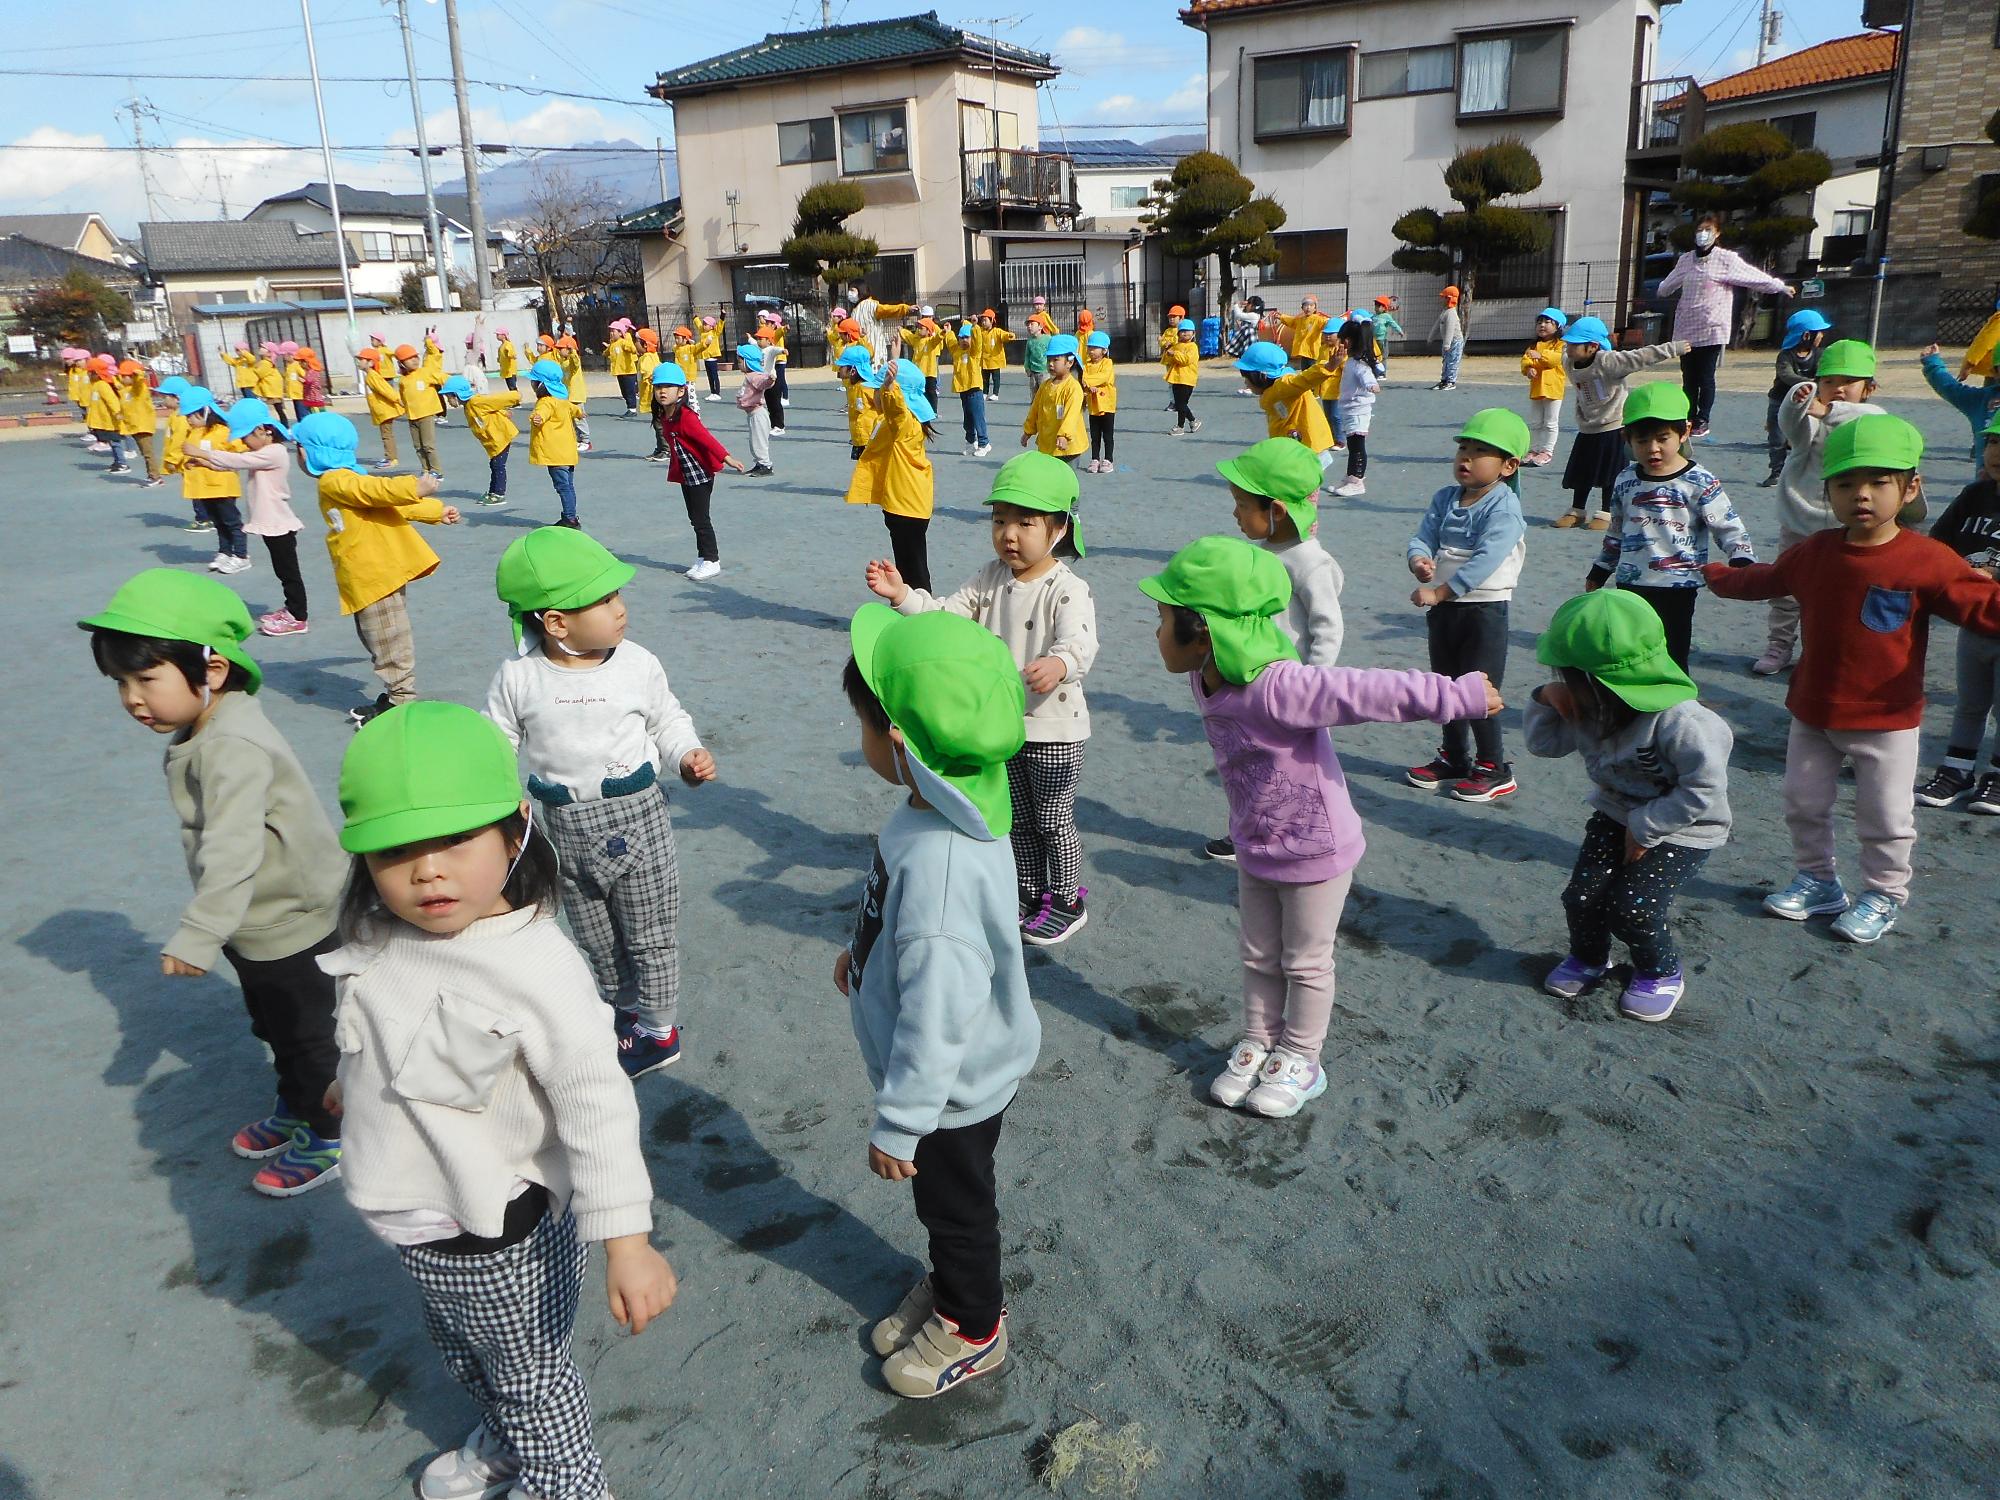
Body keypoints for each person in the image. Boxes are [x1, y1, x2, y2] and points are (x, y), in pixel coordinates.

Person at [325, 701, 676, 1498]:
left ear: (517, 827)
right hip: (411, 1213)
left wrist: (626, 1238)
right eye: (394, 851)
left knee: (531, 1376)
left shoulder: (534, 966)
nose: (427, 872)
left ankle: (567, 1485)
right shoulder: (383, 932)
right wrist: (347, 1082)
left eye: (455, 840)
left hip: (495, 1230)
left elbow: (597, 1104)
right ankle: (513, 1445)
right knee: (462, 1355)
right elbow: (373, 1021)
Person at [1141, 537, 1499, 1116]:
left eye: (1162, 618)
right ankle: (1260, 1041)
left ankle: (1302, 1058)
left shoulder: (1280, 686)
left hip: (1315, 848)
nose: (1155, 631)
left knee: (1305, 961)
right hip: (1256, 840)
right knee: (1258, 954)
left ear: (1202, 628)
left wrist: (1457, 694)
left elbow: (1363, 691)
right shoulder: (1205, 676)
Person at [80, 569, 345, 1194]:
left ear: (214, 670)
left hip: (295, 922)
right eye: (121, 683)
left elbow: (232, 846)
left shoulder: (232, 747)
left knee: (309, 1036)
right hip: (255, 918)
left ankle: (331, 1128)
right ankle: (299, 1107)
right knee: (274, 1024)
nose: (133, 699)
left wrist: (200, 932)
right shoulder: (207, 729)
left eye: (146, 679)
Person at [835, 605, 1039, 1398]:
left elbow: (939, 1010)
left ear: (898, 744)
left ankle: (975, 1326)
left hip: (949, 1089)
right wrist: (862, 954)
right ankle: (954, 1286)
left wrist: (901, 1119)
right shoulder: (942, 798)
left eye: (861, 720)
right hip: (945, 1071)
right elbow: (895, 918)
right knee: (945, 1206)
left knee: (956, 1206)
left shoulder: (945, 869)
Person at [1705, 413, 2000, 943]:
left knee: (1885, 815)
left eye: (1878, 481)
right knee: (1802, 802)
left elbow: (1983, 605)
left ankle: (1884, 892)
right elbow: (1767, 579)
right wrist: (1714, 575)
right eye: (1845, 483)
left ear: (1910, 487)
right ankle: (1818, 880)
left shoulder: (1926, 560)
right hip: (1813, 710)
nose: (1860, 495)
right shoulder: (1816, 552)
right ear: (1828, 490)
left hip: (1887, 720)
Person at [486, 528, 716, 1078]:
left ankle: (660, 1031)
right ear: (556, 622)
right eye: (604, 599)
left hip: (638, 821)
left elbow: (667, 718)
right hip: (562, 826)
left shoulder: (637, 663)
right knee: (596, 937)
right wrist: (499, 798)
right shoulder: (519, 678)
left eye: (618, 595)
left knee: (650, 933)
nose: (620, 609)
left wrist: (686, 753)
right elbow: (496, 741)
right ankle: (626, 1012)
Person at [868, 452, 1096, 944]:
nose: (1008, 534)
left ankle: (1067, 897)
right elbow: (946, 616)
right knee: (1018, 815)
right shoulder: (989, 577)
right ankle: (1030, 890)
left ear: (1058, 528)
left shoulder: (1066, 588)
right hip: (1002, 725)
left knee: (1053, 818)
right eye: (999, 520)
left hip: (1054, 726)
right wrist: (903, 595)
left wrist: (1060, 663)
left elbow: (1081, 643)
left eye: (1025, 522)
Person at [1525, 589, 1733, 1022]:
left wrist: (1646, 827)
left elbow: (1702, 789)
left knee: (1634, 907)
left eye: (1569, 677)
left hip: (1685, 826)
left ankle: (1661, 972)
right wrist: (1545, 697)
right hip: (1616, 812)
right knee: (1582, 896)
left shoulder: (1685, 723)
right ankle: (1589, 958)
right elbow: (1543, 745)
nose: (1567, 684)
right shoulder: (1588, 704)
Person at [1201, 437, 1348, 864]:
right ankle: (1249, 828)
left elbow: (1327, 627)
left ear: (1277, 511)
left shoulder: (1308, 561)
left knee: (1292, 770)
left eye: (1242, 504)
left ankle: (1297, 835)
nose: (1234, 513)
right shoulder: (1265, 552)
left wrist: (1314, 686)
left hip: (1292, 690)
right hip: (1256, 683)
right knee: (1248, 762)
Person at [292, 411, 461, 727]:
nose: (297, 454)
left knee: (388, 638)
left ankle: (401, 701)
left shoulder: (336, 480)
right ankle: (396, 693)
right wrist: (434, 511)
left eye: (300, 447)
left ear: (312, 451)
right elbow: (383, 500)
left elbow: (380, 494)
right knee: (377, 635)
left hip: (374, 573)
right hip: (370, 574)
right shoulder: (348, 480)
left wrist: (416, 489)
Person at [1405, 409, 1531, 803]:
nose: (1466, 458)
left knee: (1479, 689)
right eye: (1463, 447)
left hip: (1482, 610)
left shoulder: (1504, 508)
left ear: (1509, 466)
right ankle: (1455, 757)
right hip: (1445, 608)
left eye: (1480, 451)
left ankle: (1494, 767)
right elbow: (1422, 537)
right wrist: (1420, 561)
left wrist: (1440, 592)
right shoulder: (1445, 497)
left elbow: (1485, 561)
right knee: (1446, 685)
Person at [1584, 383, 1754, 670]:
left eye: (1663, 438)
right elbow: (1616, 531)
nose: (1653, 449)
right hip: (1630, 583)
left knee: (1673, 655)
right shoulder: (1625, 479)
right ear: (1626, 437)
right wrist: (1601, 568)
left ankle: (1674, 709)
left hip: (1678, 585)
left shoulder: (1699, 481)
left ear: (1684, 432)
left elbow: (1727, 523)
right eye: (1641, 441)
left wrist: (1741, 556)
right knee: (1633, 654)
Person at [1753, 339, 1886, 675]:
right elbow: (1791, 427)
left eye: (1848, 382)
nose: (1837, 389)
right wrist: (1796, 405)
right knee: (1786, 589)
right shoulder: (1814, 421)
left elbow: (1869, 419)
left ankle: (1821, 652)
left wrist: (1829, 410)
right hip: (1800, 517)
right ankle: (1779, 644)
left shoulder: (1870, 419)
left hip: (1847, 525)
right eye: (1828, 382)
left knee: (1837, 593)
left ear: (1868, 388)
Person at [1914, 412, 2000, 812]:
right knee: (1970, 702)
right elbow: (1940, 542)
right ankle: (1958, 768)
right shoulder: (1975, 495)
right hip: (1976, 623)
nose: (1996, 452)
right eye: (1993, 442)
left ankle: (1997, 775)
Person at [182, 398, 313, 636]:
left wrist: (203, 452)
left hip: (279, 524)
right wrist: (203, 462)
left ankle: (298, 616)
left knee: (289, 573)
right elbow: (233, 464)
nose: (243, 442)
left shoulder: (275, 452)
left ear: (263, 430)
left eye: (245, 437)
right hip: (270, 524)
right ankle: (291, 608)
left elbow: (239, 460)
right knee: (283, 571)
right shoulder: (263, 452)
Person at [1657, 212, 1795, 437]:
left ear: (1717, 233)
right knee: (1688, 376)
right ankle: (1688, 416)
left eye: (1708, 230)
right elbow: (1668, 285)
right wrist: (1662, 287)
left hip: (1712, 327)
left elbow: (1751, 275)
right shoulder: (1686, 260)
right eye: (1700, 230)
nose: (1703, 235)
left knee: (1705, 375)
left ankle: (1703, 418)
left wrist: (1778, 286)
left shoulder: (1725, 259)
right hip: (1687, 326)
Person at [1554, 316, 1688, 531]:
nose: (1568, 347)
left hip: (1613, 425)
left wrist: (1674, 348)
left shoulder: (1608, 361)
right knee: (1582, 471)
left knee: (1611, 473)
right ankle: (1577, 510)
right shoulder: (1568, 361)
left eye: (1574, 344)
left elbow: (1641, 357)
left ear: (1592, 346)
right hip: (1588, 425)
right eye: (1568, 343)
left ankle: (1606, 513)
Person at [843, 351, 937, 592]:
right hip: (903, 503)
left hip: (906, 507)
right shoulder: (898, 422)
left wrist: (888, 386)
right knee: (909, 564)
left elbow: (897, 409)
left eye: (878, 390)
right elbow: (896, 409)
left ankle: (922, 615)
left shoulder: (903, 423)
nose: (874, 393)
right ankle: (911, 608)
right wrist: (893, 363)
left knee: (913, 569)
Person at [650, 363, 747, 580]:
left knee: (701, 518)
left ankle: (712, 560)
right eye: (658, 387)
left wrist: (727, 458)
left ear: (681, 391)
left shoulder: (686, 416)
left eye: (668, 387)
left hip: (700, 473)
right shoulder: (666, 416)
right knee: (694, 517)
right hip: (686, 474)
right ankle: (703, 557)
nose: (662, 391)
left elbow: (706, 439)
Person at [1236, 341, 1338, 486]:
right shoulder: (1272, 389)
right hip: (1294, 446)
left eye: (1247, 378)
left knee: (1299, 490)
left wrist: (1328, 368)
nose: (1245, 383)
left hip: (1306, 446)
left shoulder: (1283, 385)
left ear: (1262, 376)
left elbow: (1305, 379)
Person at [179, 389, 249, 572]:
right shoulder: (193, 433)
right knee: (218, 522)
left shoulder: (222, 432)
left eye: (191, 416)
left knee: (231, 521)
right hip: (203, 487)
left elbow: (237, 455)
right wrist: (188, 463)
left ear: (205, 412)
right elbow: (189, 454)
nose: (189, 420)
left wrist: (203, 460)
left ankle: (241, 555)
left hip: (222, 486)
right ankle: (225, 552)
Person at [1761, 310, 1830, 485]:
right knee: (1777, 438)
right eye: (1818, 332)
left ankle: (1807, 473)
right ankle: (1776, 472)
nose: (1821, 335)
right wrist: (1811, 382)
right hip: (1780, 401)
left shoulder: (1820, 355)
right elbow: (1786, 375)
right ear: (1806, 335)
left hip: (1807, 402)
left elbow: (1825, 372)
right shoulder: (1786, 355)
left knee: (1811, 436)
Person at [1919, 339, 2000, 477]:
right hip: (1985, 488)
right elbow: (1951, 389)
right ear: (1996, 373)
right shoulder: (1982, 400)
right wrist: (1933, 364)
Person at [440, 374, 521, 511]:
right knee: (494, 464)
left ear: (457, 394)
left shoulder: (476, 401)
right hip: (492, 440)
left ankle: (499, 494)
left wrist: (515, 396)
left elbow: (493, 400)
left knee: (498, 466)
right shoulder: (469, 405)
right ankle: (493, 492)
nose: (448, 401)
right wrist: (502, 412)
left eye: (449, 397)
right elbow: (490, 408)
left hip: (500, 437)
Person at [526, 357, 583, 530]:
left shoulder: (546, 402)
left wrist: (537, 418)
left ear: (541, 384)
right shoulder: (562, 401)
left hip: (555, 454)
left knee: (562, 486)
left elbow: (542, 413)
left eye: (534, 382)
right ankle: (571, 515)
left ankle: (570, 518)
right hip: (567, 452)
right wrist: (579, 413)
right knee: (568, 485)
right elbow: (574, 410)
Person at [1328, 318, 1381, 499]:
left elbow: (1367, 376)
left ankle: (1357, 480)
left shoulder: (1359, 363)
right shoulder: (1351, 361)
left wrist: (1372, 385)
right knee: (1353, 446)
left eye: (1341, 339)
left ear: (1348, 342)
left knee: (1357, 446)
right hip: (1350, 410)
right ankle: (1351, 476)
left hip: (1358, 411)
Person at [1020, 333, 1085, 462]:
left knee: (1066, 480)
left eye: (1056, 360)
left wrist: (1064, 436)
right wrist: (1028, 431)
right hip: (1048, 444)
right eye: (1049, 359)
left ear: (1070, 362)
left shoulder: (1073, 388)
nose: (1050, 364)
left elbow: (1070, 415)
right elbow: (1035, 410)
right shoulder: (1045, 386)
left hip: (1066, 447)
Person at [1521, 306, 1568, 467]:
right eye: (1539, 322)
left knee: (1550, 422)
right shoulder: (1534, 345)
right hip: (1537, 389)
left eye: (1547, 322)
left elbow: (1557, 359)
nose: (1542, 325)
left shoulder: (1562, 345)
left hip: (1553, 390)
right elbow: (1526, 360)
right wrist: (1528, 369)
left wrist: (1540, 356)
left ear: (1558, 326)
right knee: (1535, 422)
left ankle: (1546, 451)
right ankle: (1533, 450)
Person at [394, 343, 444, 480]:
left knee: (428, 445)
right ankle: (425, 469)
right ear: (401, 363)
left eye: (415, 357)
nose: (415, 360)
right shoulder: (403, 380)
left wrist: (453, 390)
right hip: (412, 416)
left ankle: (436, 470)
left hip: (426, 414)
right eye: (409, 359)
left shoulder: (425, 372)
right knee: (418, 446)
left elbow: (442, 377)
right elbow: (403, 397)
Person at [117, 358, 163, 487]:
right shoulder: (125, 390)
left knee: (148, 453)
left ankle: (155, 477)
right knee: (145, 453)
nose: (121, 378)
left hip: (143, 425)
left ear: (132, 376)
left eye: (124, 376)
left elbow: (138, 382)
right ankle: (152, 475)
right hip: (134, 426)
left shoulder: (139, 388)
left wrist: (138, 373)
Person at [355, 347, 404, 469]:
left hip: (384, 410)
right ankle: (390, 457)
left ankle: (391, 459)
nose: (359, 362)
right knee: (386, 434)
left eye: (362, 359)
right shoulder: (371, 376)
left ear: (370, 363)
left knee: (387, 435)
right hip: (382, 411)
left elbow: (386, 390)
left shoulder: (372, 376)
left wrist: (398, 400)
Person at [734, 341, 776, 477]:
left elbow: (763, 382)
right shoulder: (750, 376)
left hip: (758, 414)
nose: (738, 363)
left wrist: (770, 379)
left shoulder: (755, 376)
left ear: (748, 362)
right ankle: (760, 463)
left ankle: (765, 465)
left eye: (740, 361)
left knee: (759, 442)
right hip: (753, 414)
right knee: (754, 441)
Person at [952, 322, 991, 458]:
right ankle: (970, 443)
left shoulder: (974, 352)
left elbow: (978, 339)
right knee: (967, 419)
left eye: (967, 337)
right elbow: (950, 341)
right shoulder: (957, 352)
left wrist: (975, 326)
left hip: (974, 389)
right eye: (961, 337)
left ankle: (984, 443)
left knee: (978, 417)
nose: (963, 340)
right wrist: (947, 332)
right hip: (963, 390)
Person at [84, 354, 127, 473]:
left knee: (115, 442)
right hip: (103, 420)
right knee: (111, 442)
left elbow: (111, 400)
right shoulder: (96, 385)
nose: (88, 375)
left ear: (96, 373)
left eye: (90, 373)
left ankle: (122, 463)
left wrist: (117, 412)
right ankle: (117, 461)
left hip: (109, 420)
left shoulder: (103, 385)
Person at [1081, 331, 1117, 474]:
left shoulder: (1107, 363)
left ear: (1104, 350)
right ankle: (1095, 458)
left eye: (1094, 348)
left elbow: (1103, 377)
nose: (1091, 351)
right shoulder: (1086, 365)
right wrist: (1089, 385)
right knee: (1094, 435)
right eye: (1089, 347)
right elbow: (1083, 379)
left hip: (1107, 405)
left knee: (1107, 435)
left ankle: (1108, 459)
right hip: (1093, 405)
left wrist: (1089, 383)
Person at [1162, 318, 1201, 435]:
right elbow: (1166, 360)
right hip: (1176, 378)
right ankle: (1193, 421)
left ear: (1193, 334)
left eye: (1188, 331)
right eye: (1182, 331)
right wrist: (1167, 350)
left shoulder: (1192, 347)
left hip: (1187, 379)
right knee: (1180, 403)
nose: (1184, 333)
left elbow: (1186, 360)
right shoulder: (1176, 346)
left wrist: (1175, 354)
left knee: (1181, 403)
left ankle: (1180, 426)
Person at [555, 335, 592, 451]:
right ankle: (578, 439)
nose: (559, 351)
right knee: (571, 418)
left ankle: (586, 440)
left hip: (576, 395)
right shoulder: (563, 362)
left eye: (562, 349)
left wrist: (573, 352)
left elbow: (575, 363)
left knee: (579, 418)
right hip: (568, 395)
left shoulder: (572, 361)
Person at [904, 311, 946, 410]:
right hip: (918, 372)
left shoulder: (930, 341)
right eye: (918, 328)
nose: (919, 330)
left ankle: (933, 410)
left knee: (931, 392)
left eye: (921, 328)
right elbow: (908, 336)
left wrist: (943, 332)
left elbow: (937, 338)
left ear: (928, 331)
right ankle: (922, 409)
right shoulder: (916, 340)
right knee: (920, 393)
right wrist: (901, 330)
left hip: (929, 373)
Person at [1277, 296, 1329, 372]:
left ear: (1315, 308)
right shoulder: (1300, 320)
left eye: (1311, 305)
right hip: (1304, 352)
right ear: (1302, 308)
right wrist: (1281, 317)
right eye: (1306, 305)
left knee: (1312, 372)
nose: (1308, 308)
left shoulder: (1318, 319)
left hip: (1313, 352)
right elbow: (1291, 321)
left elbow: (1326, 323)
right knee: (1305, 372)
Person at [1430, 286, 1464, 391]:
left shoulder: (1451, 313)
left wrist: (1447, 344)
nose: (1442, 300)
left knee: (1452, 361)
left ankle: (1451, 382)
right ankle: (1444, 381)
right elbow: (1437, 324)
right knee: (1445, 361)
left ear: (1449, 299)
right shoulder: (1445, 311)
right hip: (1447, 342)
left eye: (1444, 297)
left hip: (1455, 341)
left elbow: (1450, 329)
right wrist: (1431, 336)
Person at [976, 310, 1014, 400]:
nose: (983, 322)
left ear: (992, 321)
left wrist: (1009, 335)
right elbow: (973, 329)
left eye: (986, 320)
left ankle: (995, 394)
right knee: (984, 379)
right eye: (982, 320)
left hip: (995, 360)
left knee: (996, 379)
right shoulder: (980, 331)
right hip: (984, 360)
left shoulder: (997, 331)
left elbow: (1004, 335)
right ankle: (984, 393)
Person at [605, 320, 640, 415]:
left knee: (630, 391)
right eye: (611, 331)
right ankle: (629, 407)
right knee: (624, 392)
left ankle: (632, 409)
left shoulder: (623, 342)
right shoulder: (613, 343)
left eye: (614, 331)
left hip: (628, 371)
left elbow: (631, 348)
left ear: (620, 333)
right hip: (619, 371)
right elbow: (607, 352)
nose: (611, 333)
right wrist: (605, 351)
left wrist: (632, 349)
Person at [670, 326, 702, 412]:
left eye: (678, 338)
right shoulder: (677, 348)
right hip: (679, 378)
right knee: (680, 398)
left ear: (685, 339)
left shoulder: (690, 349)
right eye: (675, 338)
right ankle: (683, 414)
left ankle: (696, 413)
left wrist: (706, 342)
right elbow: (673, 348)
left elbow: (699, 347)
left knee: (691, 397)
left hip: (689, 379)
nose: (676, 340)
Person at [1021, 314, 1053, 397]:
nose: (1029, 327)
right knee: (1034, 394)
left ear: (1040, 327)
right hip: (1033, 372)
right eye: (1028, 325)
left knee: (1045, 393)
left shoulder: (1048, 339)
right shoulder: (1030, 341)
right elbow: (1027, 355)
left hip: (1045, 371)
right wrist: (1027, 367)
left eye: (1032, 324)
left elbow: (1052, 354)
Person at [1371, 295, 1404, 375]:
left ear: (1384, 307)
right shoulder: (1373, 317)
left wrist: (1400, 331)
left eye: (1379, 306)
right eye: (1376, 305)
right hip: (1374, 340)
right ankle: (1375, 372)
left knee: (1383, 356)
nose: (1376, 307)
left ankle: (1382, 373)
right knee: (1375, 356)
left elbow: (1393, 324)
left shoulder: (1386, 316)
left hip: (1383, 340)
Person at [697, 313, 725, 398]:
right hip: (706, 358)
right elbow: (698, 325)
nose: (704, 326)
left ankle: (717, 393)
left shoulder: (714, 333)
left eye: (706, 324)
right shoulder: (702, 332)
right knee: (710, 377)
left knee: (714, 376)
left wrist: (722, 317)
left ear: (712, 326)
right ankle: (712, 392)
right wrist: (696, 318)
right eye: (704, 324)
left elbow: (720, 326)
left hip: (712, 358)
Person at [496, 327, 520, 391]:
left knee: (512, 387)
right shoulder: (501, 346)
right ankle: (515, 398)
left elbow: (511, 353)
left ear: (503, 335)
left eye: (498, 334)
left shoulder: (507, 344)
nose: (497, 336)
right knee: (510, 387)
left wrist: (512, 355)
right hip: (506, 370)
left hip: (510, 370)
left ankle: (516, 399)